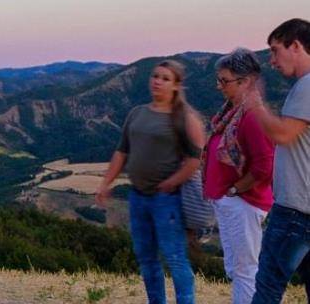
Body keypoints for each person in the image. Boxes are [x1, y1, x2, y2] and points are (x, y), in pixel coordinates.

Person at [97, 59, 205, 304]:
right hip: (137, 197)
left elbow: (194, 161)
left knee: (175, 257)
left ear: (176, 86)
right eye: (155, 76)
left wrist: (171, 182)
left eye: (165, 78)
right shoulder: (137, 113)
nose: (157, 81)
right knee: (146, 258)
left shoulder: (185, 119)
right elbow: (121, 152)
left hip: (167, 200)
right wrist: (105, 183)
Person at [203, 48, 274, 303]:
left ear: (245, 81)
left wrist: (234, 191)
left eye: (224, 80)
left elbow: (265, 167)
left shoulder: (253, 116)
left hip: (243, 203)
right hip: (231, 202)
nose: (219, 86)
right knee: (236, 269)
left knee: (245, 271)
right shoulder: (232, 113)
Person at [248, 18, 310, 304]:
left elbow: (284, 134)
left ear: (295, 45)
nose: (271, 60)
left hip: (295, 212)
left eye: (275, 50)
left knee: (267, 290)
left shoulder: (308, 85)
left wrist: (256, 105)